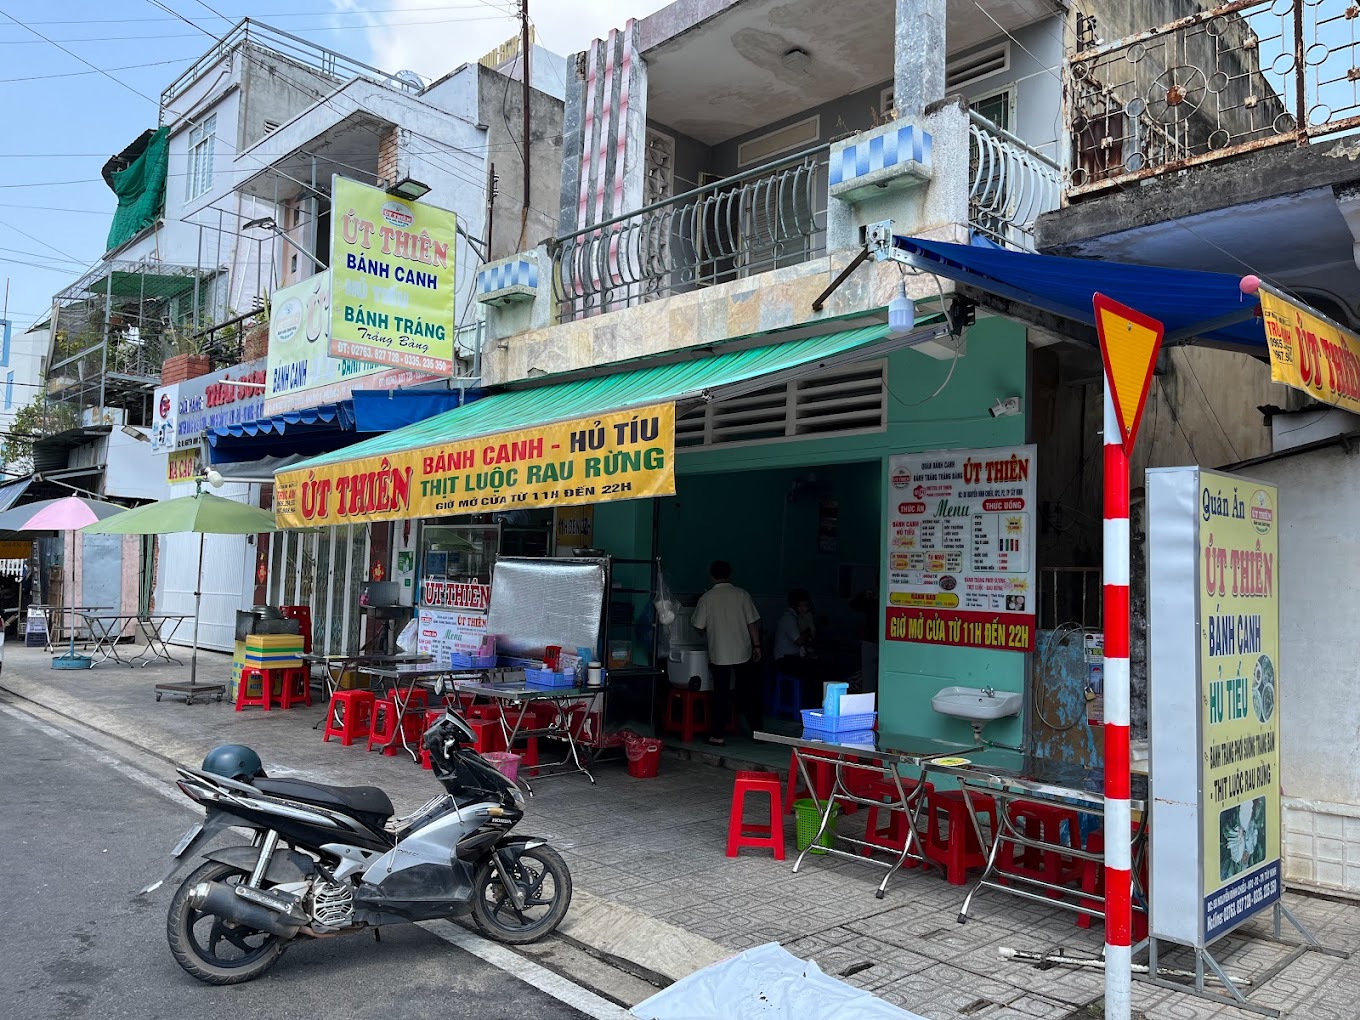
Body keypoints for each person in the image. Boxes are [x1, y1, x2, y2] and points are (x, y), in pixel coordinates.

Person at [691, 560, 761, 745]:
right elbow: (752, 623)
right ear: (730, 575)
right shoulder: (742, 595)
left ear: (712, 576)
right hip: (743, 651)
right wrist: (757, 646)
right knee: (748, 691)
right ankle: (758, 733)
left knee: (720, 694)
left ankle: (717, 736)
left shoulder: (707, 598)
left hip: (719, 653)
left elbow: (698, 626)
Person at [774, 588, 822, 707]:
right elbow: (799, 640)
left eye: (806, 605)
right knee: (814, 672)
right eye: (802, 605)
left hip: (792, 658)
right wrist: (808, 629)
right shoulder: (789, 619)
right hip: (783, 660)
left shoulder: (798, 618)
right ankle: (810, 705)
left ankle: (812, 703)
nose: (804, 608)